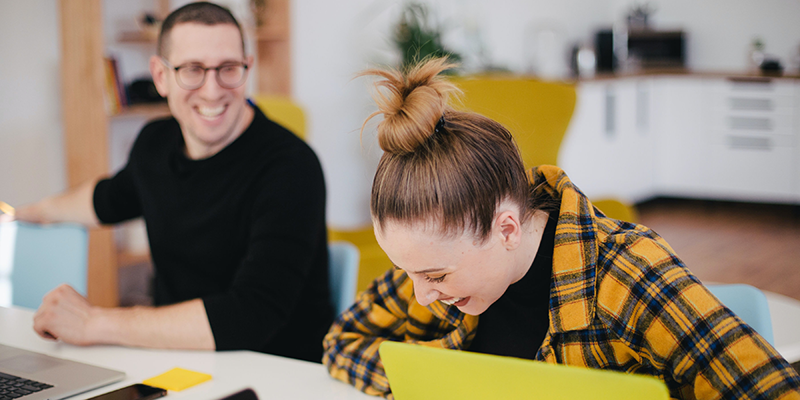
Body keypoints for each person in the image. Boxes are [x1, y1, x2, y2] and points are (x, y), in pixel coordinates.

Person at [322, 57, 800, 398]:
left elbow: (771, 390)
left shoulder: (626, 275)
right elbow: (342, 343)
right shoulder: (436, 268)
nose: (421, 294)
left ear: (506, 228)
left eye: (436, 277)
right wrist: (424, 383)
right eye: (408, 271)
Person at [6, 2, 332, 363]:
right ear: (161, 76)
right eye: (192, 70)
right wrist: (24, 212)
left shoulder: (291, 167)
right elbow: (107, 199)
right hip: (175, 362)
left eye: (228, 69)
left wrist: (94, 322)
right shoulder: (155, 144)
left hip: (277, 371)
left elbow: (251, 315)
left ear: (247, 69)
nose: (212, 91)